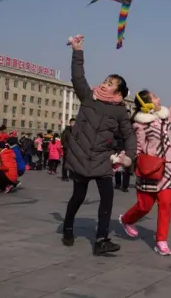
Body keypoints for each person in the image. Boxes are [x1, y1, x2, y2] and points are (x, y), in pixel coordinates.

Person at [62, 35, 136, 256]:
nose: (105, 84)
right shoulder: (88, 97)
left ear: (119, 92)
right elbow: (78, 76)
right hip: (82, 155)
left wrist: (129, 156)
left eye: (111, 84)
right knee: (78, 196)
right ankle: (67, 227)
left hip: (103, 159)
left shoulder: (121, 111)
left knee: (107, 197)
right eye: (106, 80)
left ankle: (101, 239)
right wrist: (77, 50)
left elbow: (129, 135)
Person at [119, 69, 171, 255]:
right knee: (144, 206)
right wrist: (123, 160)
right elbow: (137, 147)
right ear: (146, 103)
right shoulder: (140, 124)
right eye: (154, 97)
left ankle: (161, 240)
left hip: (167, 168)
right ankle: (126, 220)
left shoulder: (166, 117)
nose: (158, 98)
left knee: (166, 203)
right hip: (150, 171)